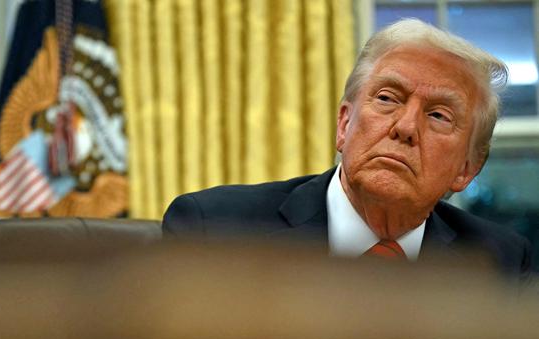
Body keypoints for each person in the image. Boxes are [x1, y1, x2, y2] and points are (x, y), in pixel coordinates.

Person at [162, 19, 535, 276]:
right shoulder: (214, 230)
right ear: (344, 125)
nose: (406, 128)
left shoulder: (498, 263)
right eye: (388, 98)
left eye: (438, 116)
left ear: (467, 169)